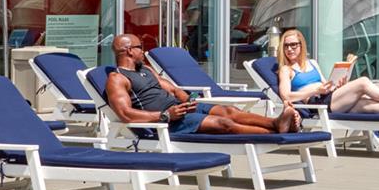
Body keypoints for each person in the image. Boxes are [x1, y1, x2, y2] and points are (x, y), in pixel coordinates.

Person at [105, 34, 302, 135]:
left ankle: (276, 123)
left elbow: (172, 89)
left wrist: (189, 101)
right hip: (166, 122)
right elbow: (125, 114)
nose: (143, 51)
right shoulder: (117, 79)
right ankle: (274, 132)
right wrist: (165, 115)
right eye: (141, 48)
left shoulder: (145, 69)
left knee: (229, 111)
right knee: (224, 124)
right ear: (129, 51)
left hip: (179, 109)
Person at [275, 28, 379, 115]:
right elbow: (286, 96)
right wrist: (314, 91)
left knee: (368, 105)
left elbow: (325, 84)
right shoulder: (285, 70)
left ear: (301, 45)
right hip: (317, 105)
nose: (290, 49)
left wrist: (338, 85)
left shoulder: (312, 63)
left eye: (294, 45)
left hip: (329, 97)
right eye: (286, 46)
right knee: (363, 82)